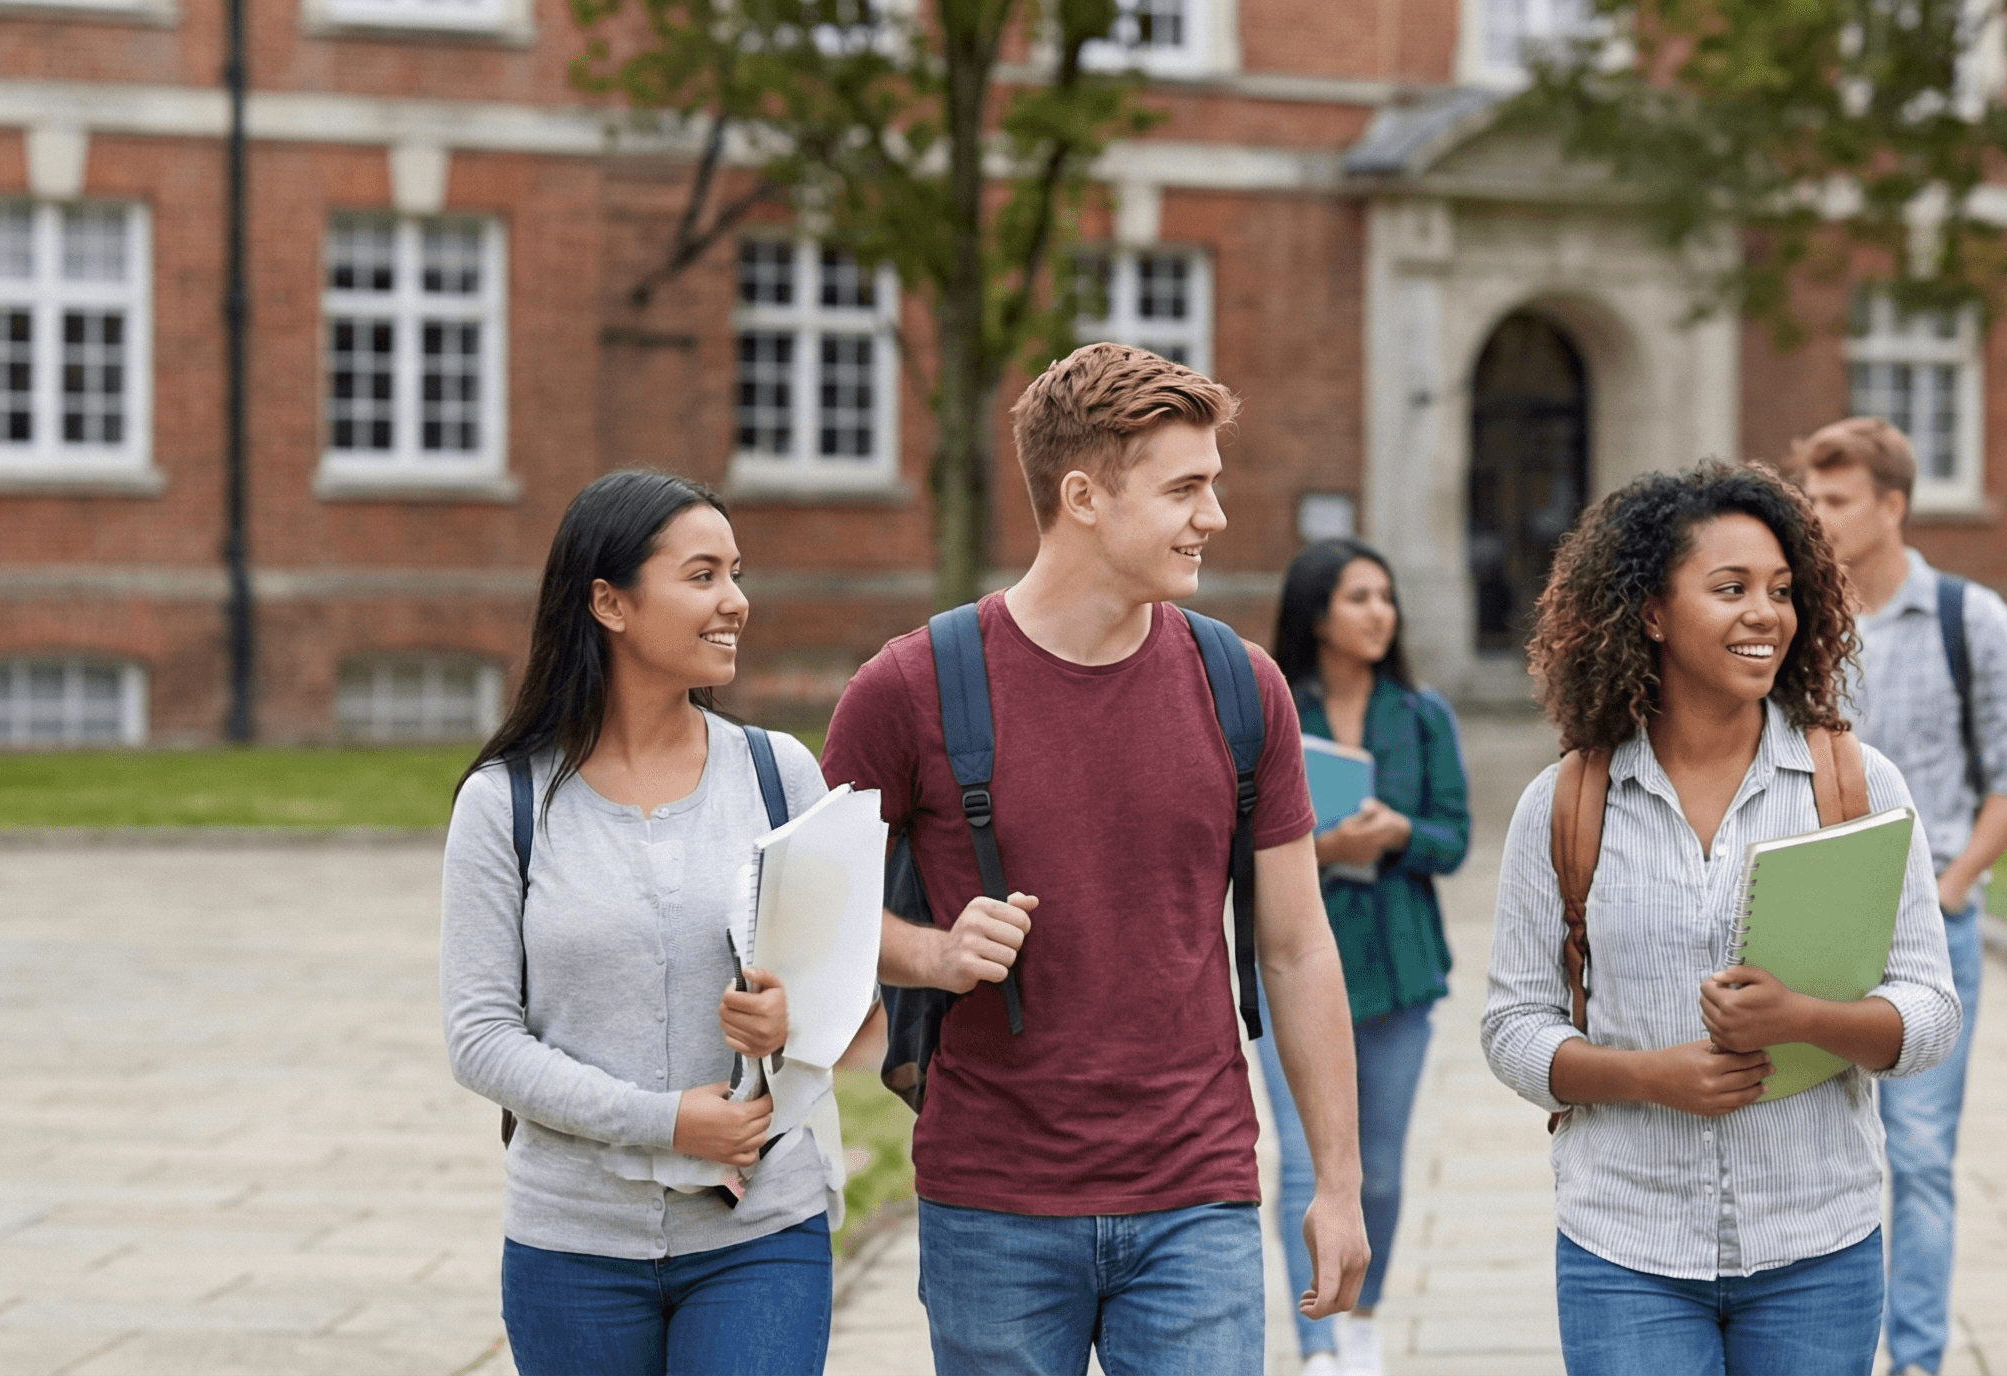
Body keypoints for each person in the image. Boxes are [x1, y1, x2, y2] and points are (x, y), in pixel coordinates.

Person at [822, 343, 1371, 1375]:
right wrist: (935, 954)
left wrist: (1334, 1186)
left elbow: (1296, 949)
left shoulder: (1240, 687)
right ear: (1083, 495)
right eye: (1185, 488)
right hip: (992, 1198)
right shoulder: (910, 687)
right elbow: (801, 919)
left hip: (1195, 1192)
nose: (1213, 514)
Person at [1482, 461, 1962, 1376]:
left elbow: (1931, 1013)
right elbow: (1513, 1027)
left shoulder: (1856, 790)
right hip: (1625, 1250)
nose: (1765, 615)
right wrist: (1646, 1076)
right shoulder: (1567, 805)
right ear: (1652, 614)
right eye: (1730, 589)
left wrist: (1807, 1022)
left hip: (1819, 1244)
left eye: (1782, 591)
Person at [439, 471, 842, 1376]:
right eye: (702, 576)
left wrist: (790, 1024)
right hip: (569, 1250)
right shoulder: (501, 804)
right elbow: (479, 1038)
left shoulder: (781, 778)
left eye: (736, 573)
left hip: (760, 1238)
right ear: (609, 602)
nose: (736, 601)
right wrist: (663, 1122)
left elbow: (841, 997)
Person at [1783, 418, 2007, 1376]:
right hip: (1807, 933)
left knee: (1924, 1160)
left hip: (1930, 930)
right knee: (1807, 1149)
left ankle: (1921, 1360)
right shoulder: (1794, 619)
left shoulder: (1966, 618)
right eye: (1808, 497)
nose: (1815, 516)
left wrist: (1955, 882)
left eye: (1837, 499)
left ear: (1892, 506)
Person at [1258, 537, 1474, 1376]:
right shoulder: (1272, 714)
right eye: (1358, 597)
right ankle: (1317, 1345)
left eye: (1385, 596)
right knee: (1305, 1165)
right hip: (1294, 973)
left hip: (1398, 973)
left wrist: (1396, 836)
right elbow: (1231, 849)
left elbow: (1453, 840)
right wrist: (1317, 847)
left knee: (1375, 1172)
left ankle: (1365, 1317)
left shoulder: (1421, 716)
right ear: (1317, 614)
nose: (1379, 612)